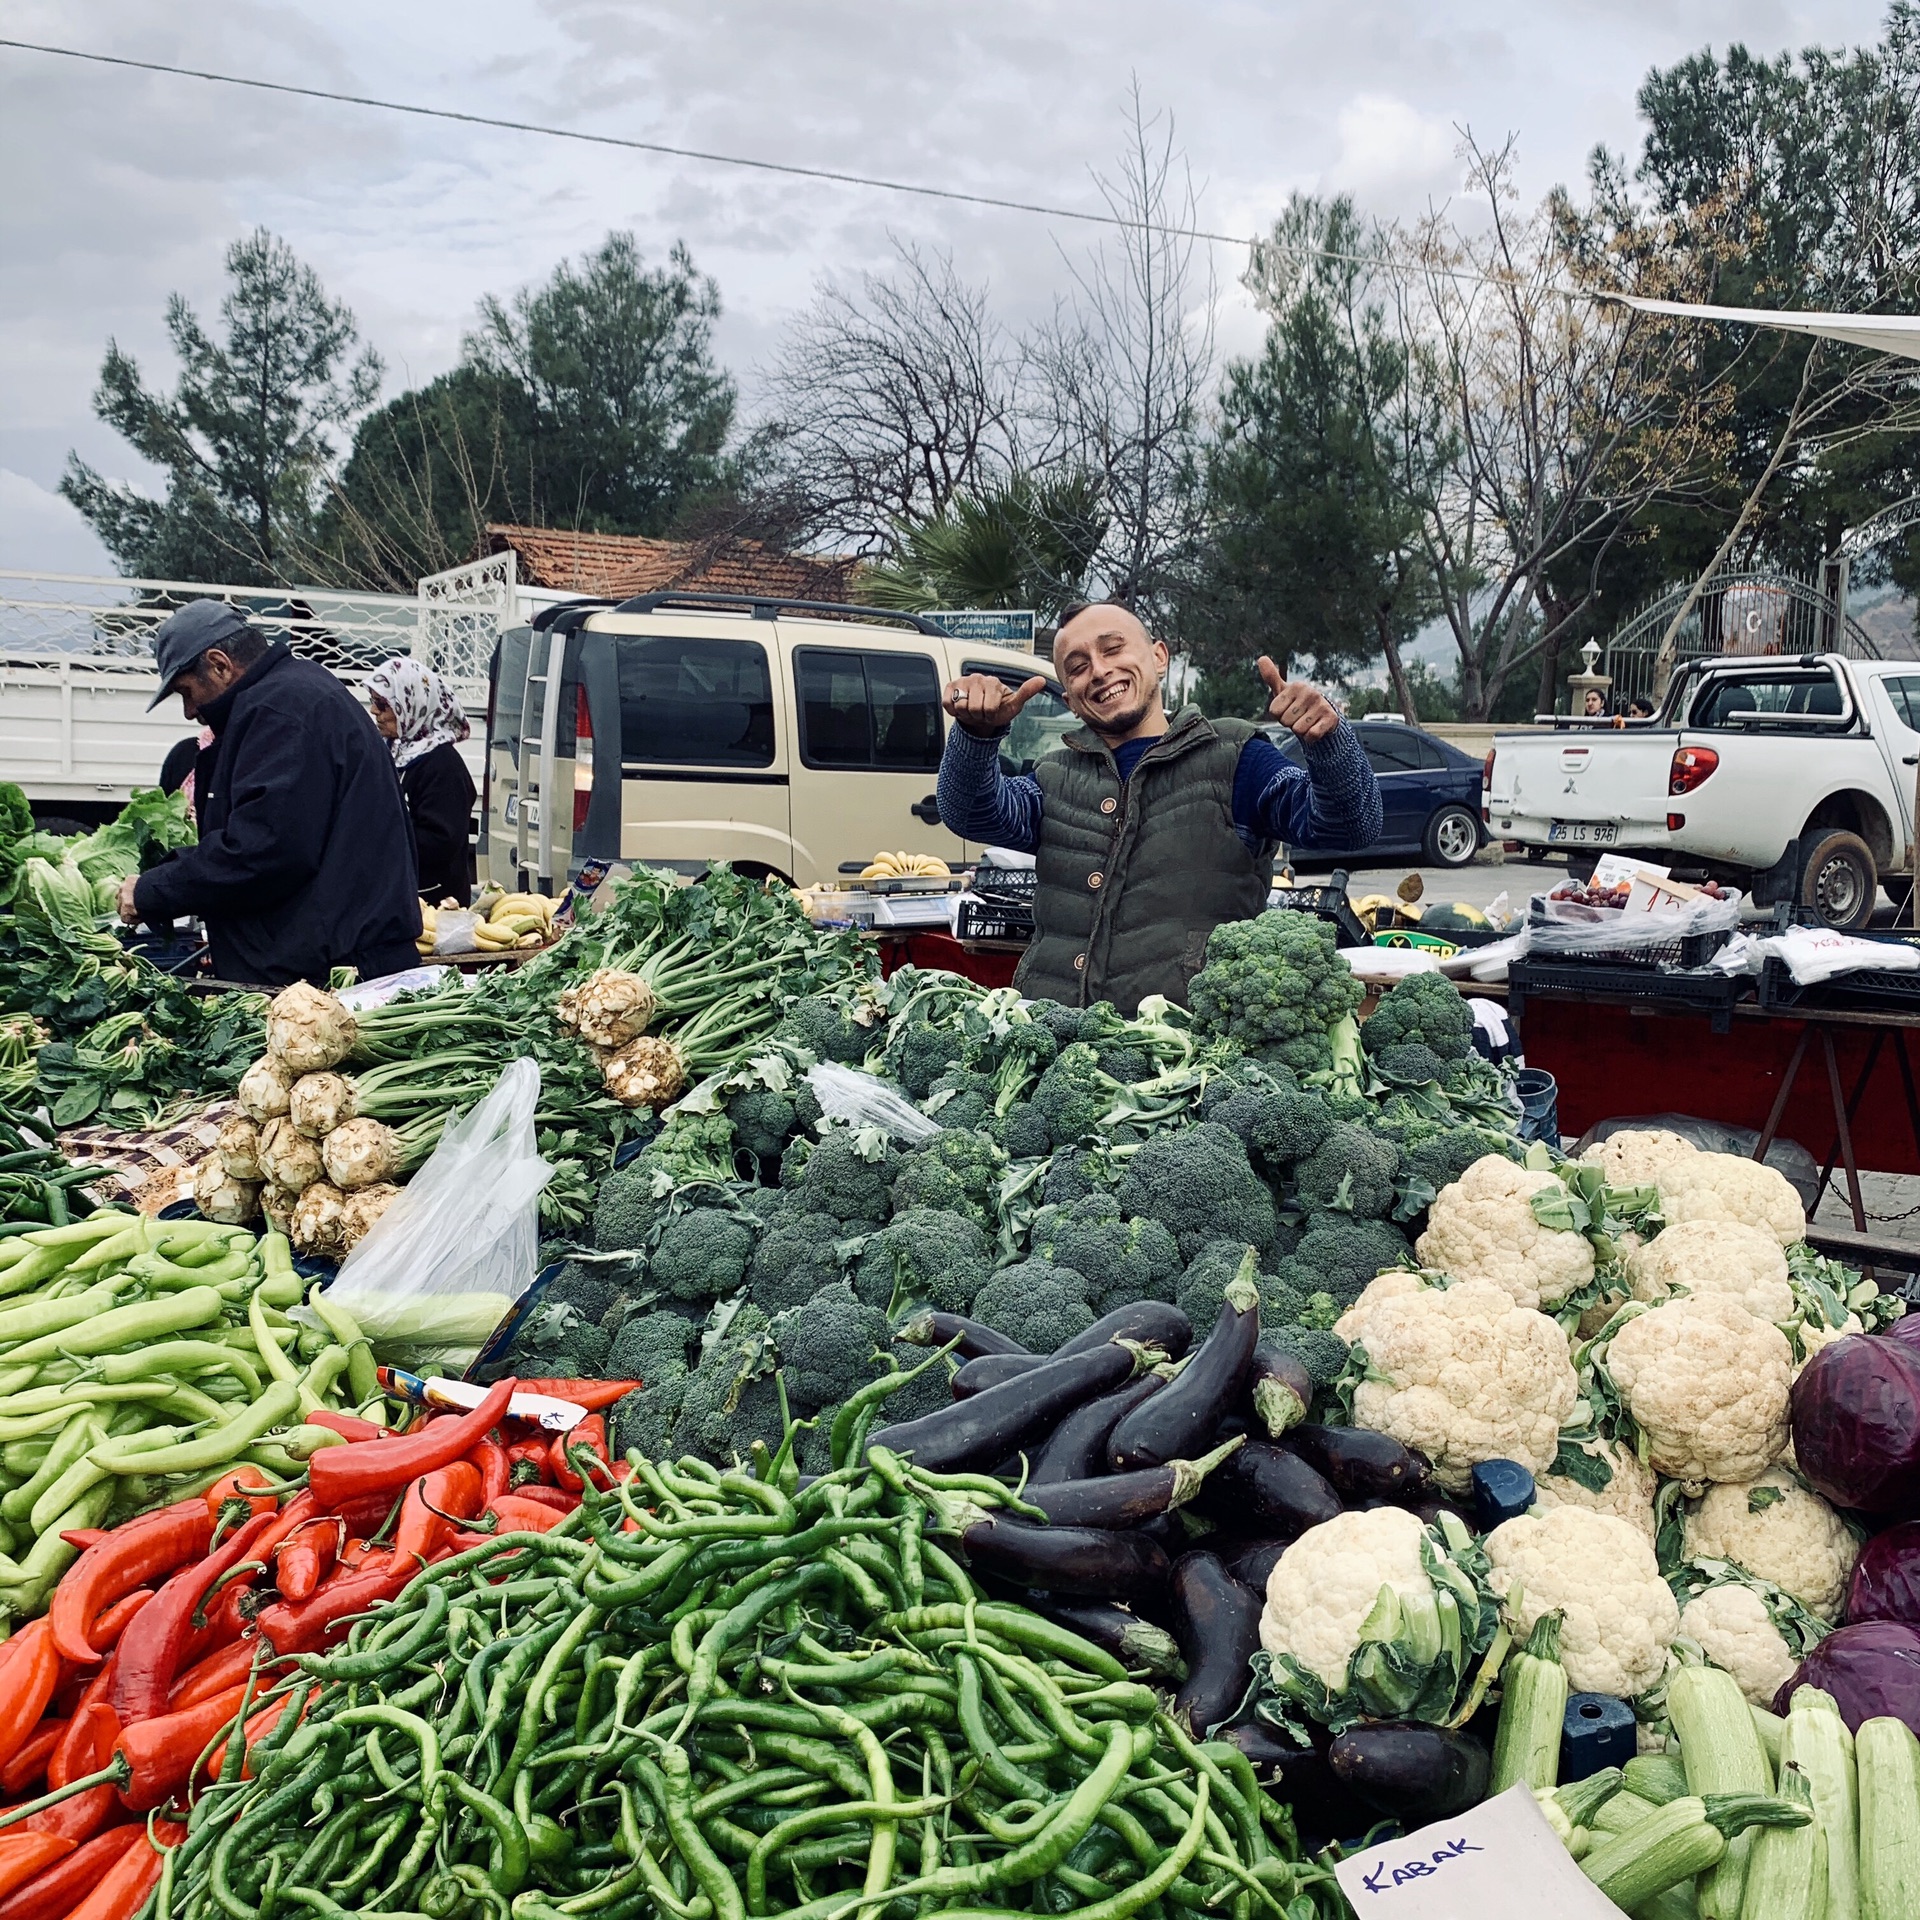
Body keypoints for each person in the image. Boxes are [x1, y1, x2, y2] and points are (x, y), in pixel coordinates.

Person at [937, 601, 1382, 1012]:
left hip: (1185, 1061)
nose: (1099, 671)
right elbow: (970, 811)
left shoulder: (1234, 756)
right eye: (1078, 667)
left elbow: (1350, 827)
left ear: (1159, 657)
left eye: (1113, 649)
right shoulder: (1055, 777)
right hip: (1058, 1045)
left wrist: (1330, 744)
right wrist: (975, 737)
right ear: (1069, 699)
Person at [118, 598, 422, 988]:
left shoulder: (280, 711)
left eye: (185, 691)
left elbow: (263, 849)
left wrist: (154, 890)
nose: (189, 711)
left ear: (220, 665)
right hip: (335, 960)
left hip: (337, 975)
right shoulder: (292, 694)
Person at [366, 657, 476, 906]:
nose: (374, 711)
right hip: (397, 895)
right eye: (373, 701)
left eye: (382, 704)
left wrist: (377, 837)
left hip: (434, 904)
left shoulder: (441, 765)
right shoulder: (393, 752)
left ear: (410, 704)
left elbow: (441, 840)